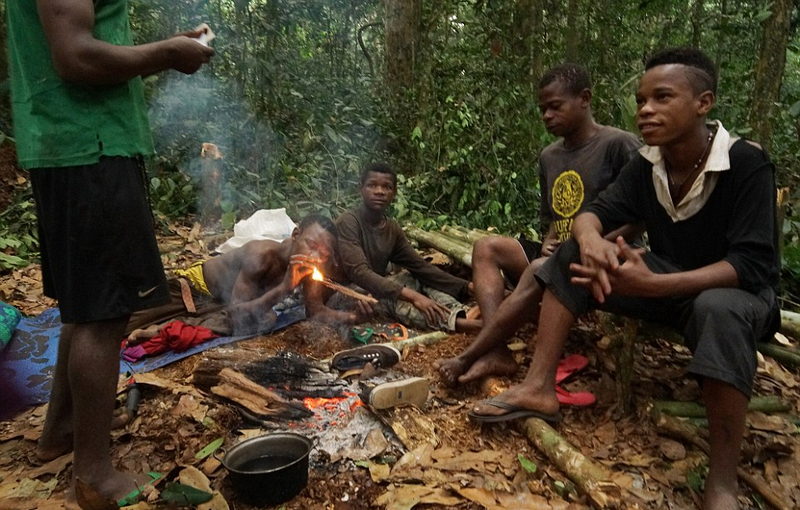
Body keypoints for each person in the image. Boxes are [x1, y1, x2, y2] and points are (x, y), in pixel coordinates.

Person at [469, 47, 779, 510]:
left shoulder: (745, 164)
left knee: (717, 307)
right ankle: (538, 387)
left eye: (662, 97)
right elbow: (596, 213)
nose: (646, 109)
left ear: (703, 102)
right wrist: (590, 239)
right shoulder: (648, 164)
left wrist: (653, 285)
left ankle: (721, 482)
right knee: (575, 254)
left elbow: (753, 266)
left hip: (739, 297)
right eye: (640, 99)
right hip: (670, 283)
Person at [7, 0, 214, 505]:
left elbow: (83, 36)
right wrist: (167, 52)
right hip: (88, 144)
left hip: (71, 141)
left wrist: (169, 46)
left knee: (86, 307)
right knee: (107, 314)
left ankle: (61, 431)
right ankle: (94, 475)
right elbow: (75, 56)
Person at [437, 64, 640, 385]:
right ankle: (497, 349)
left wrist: (595, 245)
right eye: (542, 109)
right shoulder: (549, 156)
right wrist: (548, 239)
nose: (546, 115)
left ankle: (475, 353)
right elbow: (554, 216)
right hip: (557, 255)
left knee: (538, 269)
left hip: (606, 254)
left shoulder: (619, 144)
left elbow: (640, 216)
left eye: (555, 106)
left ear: (585, 99)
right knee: (487, 247)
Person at [125, 214, 370, 337]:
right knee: (122, 325)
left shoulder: (308, 266)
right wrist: (284, 288)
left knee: (267, 320)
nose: (316, 256)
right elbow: (236, 315)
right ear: (296, 234)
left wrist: (352, 316)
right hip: (194, 290)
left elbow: (314, 310)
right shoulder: (261, 256)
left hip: (226, 303)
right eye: (311, 244)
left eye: (323, 253)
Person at [336, 163, 480, 333]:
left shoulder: (392, 228)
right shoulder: (349, 222)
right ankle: (466, 325)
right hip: (349, 294)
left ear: (394, 193)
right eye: (372, 185)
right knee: (392, 297)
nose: (379, 191)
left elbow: (420, 267)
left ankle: (458, 310)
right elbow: (359, 272)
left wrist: (468, 287)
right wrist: (414, 297)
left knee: (417, 277)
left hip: (377, 288)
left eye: (386, 187)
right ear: (361, 189)